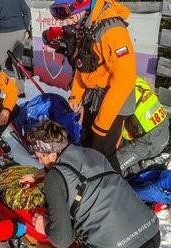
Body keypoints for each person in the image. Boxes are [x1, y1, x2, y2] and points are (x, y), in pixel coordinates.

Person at [20, 120, 160, 248]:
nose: (39, 162)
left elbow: (63, 239)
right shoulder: (92, 153)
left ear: (52, 154)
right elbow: (77, 172)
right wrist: (41, 173)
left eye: (40, 157)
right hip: (151, 231)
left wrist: (44, 225)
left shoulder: (54, 179)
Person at [46, 0, 137, 172]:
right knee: (87, 146)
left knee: (102, 154)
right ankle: (87, 187)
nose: (63, 20)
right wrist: (76, 95)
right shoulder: (88, 26)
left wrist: (102, 123)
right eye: (57, 13)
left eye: (64, 12)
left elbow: (124, 79)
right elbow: (83, 66)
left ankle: (112, 191)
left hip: (113, 104)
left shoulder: (113, 31)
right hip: (94, 98)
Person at [111, 77, 170, 177]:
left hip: (151, 141)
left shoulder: (121, 98)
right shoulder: (133, 80)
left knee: (115, 164)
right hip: (161, 124)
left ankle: (144, 168)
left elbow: (125, 133)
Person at [0, 0, 31, 98]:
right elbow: (27, 11)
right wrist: (25, 28)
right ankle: (20, 90)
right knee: (17, 62)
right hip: (20, 32)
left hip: (6, 33)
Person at [13, 93, 82, 145]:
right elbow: (75, 137)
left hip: (25, 115)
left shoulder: (60, 103)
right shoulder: (63, 110)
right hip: (27, 121)